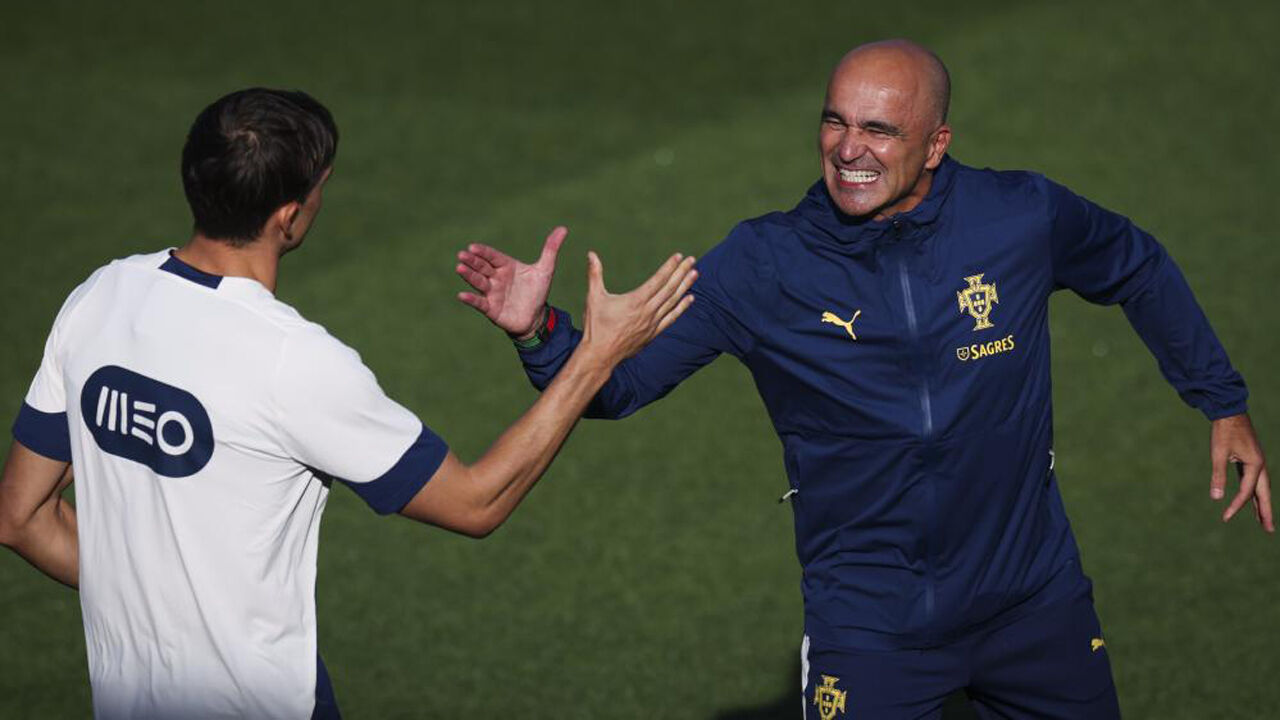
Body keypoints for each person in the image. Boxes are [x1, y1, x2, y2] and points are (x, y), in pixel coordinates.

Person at [453, 40, 1271, 719]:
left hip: (1035, 609)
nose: (850, 149)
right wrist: (542, 330)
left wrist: (1221, 400)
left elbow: (1136, 263)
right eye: (836, 121)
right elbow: (618, 388)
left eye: (880, 129)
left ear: (936, 144)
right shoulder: (763, 264)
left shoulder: (1019, 216)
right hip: (871, 630)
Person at [0, 87, 697, 719]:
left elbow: (21, 516)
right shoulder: (293, 361)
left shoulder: (99, 298)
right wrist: (595, 355)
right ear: (289, 215)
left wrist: (148, 600)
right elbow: (476, 502)